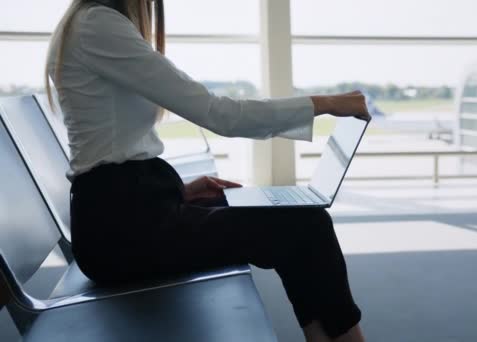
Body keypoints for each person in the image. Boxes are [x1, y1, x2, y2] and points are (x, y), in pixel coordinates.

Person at [46, 1, 370, 341]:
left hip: (125, 217)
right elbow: (219, 114)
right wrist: (327, 103)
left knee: (295, 219)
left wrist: (178, 190)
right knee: (307, 225)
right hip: (123, 234)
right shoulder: (98, 24)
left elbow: (107, 150)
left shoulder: (86, 24)